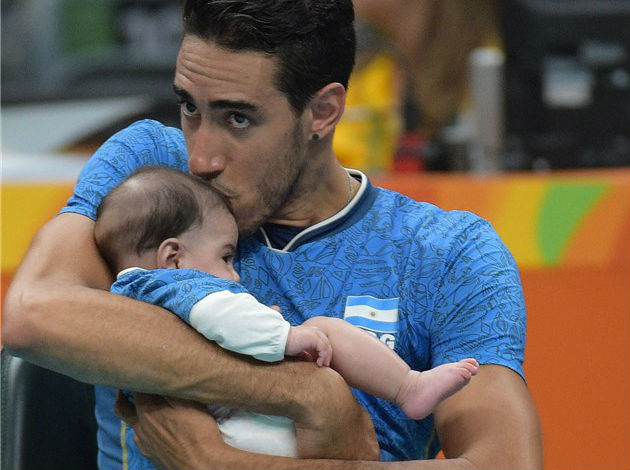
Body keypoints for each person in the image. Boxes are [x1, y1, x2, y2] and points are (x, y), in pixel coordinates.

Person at [2, 1, 542, 468]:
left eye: (237, 118)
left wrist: (220, 464)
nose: (200, 158)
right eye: (190, 107)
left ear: (322, 112)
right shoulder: (148, 172)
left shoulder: (448, 253)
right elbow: (33, 314)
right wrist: (308, 393)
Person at [94, 165, 479, 465]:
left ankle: (409, 387)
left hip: (227, 420)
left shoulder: (132, 295)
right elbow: (220, 314)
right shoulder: (171, 285)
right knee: (321, 330)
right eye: (226, 257)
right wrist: (286, 337)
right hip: (239, 433)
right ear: (173, 257)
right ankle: (407, 387)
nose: (235, 274)